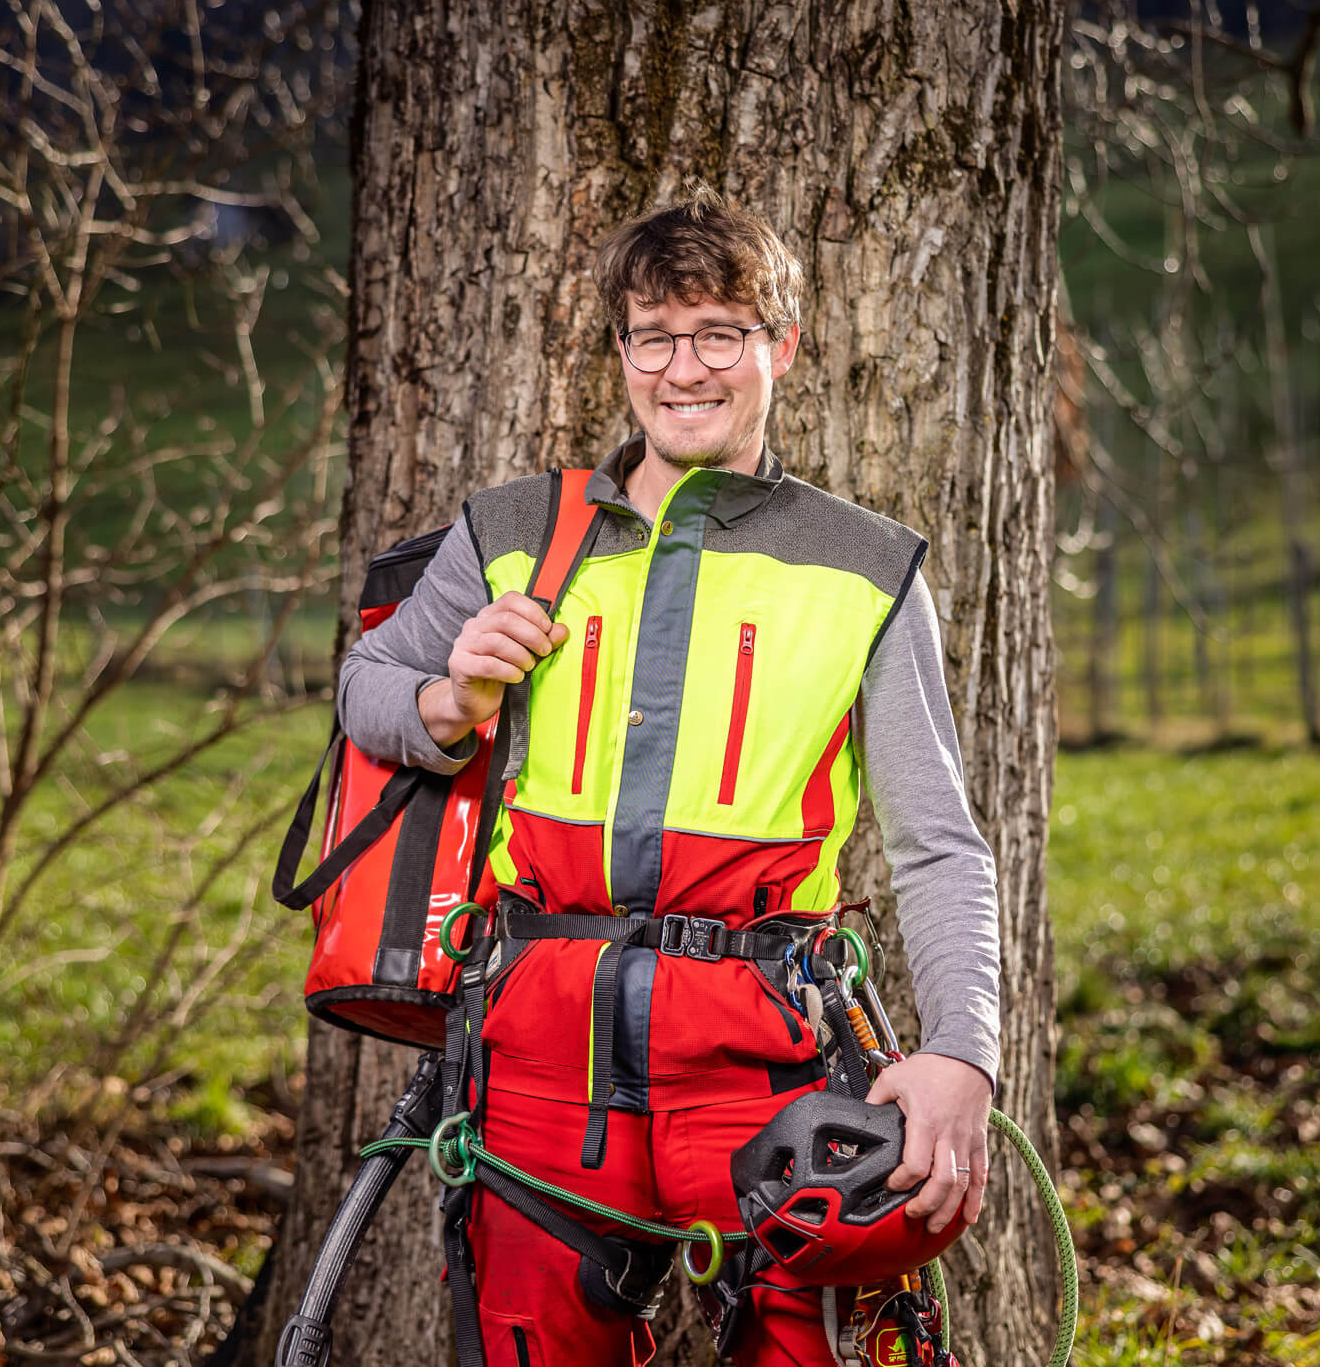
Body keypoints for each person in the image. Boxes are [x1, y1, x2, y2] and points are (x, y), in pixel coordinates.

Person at [337, 185, 1000, 1366]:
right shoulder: (515, 530)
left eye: (719, 334)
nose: (683, 368)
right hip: (537, 1049)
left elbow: (937, 843)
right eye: (654, 335)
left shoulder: (865, 565)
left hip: (762, 1056)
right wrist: (449, 700)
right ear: (621, 352)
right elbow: (365, 687)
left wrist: (960, 1053)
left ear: (780, 348)